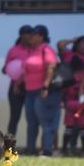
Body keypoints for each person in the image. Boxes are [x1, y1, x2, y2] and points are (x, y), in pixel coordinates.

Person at [22, 25, 59, 156]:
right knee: (31, 121)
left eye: (34, 34)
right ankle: (30, 149)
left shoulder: (46, 50)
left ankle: (47, 149)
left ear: (41, 37)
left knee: (45, 121)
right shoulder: (31, 50)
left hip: (41, 90)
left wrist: (45, 86)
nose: (30, 37)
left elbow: (51, 67)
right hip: (29, 91)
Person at [57, 35, 84, 154]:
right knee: (70, 123)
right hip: (70, 95)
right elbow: (61, 45)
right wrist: (72, 40)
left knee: (83, 123)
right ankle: (65, 149)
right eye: (83, 43)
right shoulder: (69, 55)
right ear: (77, 44)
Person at [3, 25, 33, 137]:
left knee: (32, 118)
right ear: (21, 35)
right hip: (15, 88)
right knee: (14, 117)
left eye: (31, 34)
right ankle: (9, 144)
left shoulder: (35, 50)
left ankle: (31, 145)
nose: (29, 36)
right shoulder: (13, 50)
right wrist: (7, 69)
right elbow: (6, 68)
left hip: (31, 87)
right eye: (27, 33)